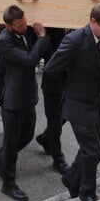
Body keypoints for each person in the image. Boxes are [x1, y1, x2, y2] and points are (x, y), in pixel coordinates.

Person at [44, 2, 100, 201]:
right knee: (93, 151)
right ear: (93, 21)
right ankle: (87, 192)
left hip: (95, 102)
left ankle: (71, 179)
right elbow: (51, 68)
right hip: (77, 104)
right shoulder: (75, 40)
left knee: (91, 146)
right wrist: (71, 88)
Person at [0, 5, 50, 201]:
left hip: (28, 96)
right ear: (8, 26)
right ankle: (8, 184)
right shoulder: (4, 41)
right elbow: (30, 59)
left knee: (28, 134)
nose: (25, 27)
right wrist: (41, 37)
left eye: (25, 23)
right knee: (12, 140)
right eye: (20, 26)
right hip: (14, 100)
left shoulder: (23, 32)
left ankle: (1, 156)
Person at [35, 27, 70, 175]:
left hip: (72, 83)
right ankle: (58, 159)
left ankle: (45, 137)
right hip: (54, 83)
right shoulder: (53, 29)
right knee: (55, 122)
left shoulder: (79, 28)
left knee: (66, 115)